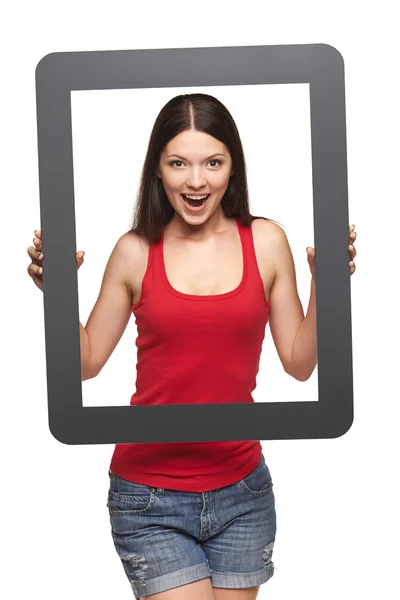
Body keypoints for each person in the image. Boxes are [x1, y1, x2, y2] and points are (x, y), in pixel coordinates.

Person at [27, 93, 357, 600]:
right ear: (158, 169)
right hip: (149, 493)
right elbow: (86, 362)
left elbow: (299, 362)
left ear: (233, 167)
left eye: (213, 162)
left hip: (243, 489)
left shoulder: (266, 242)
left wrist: (328, 283)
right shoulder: (135, 250)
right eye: (178, 163)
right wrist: (57, 297)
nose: (196, 181)